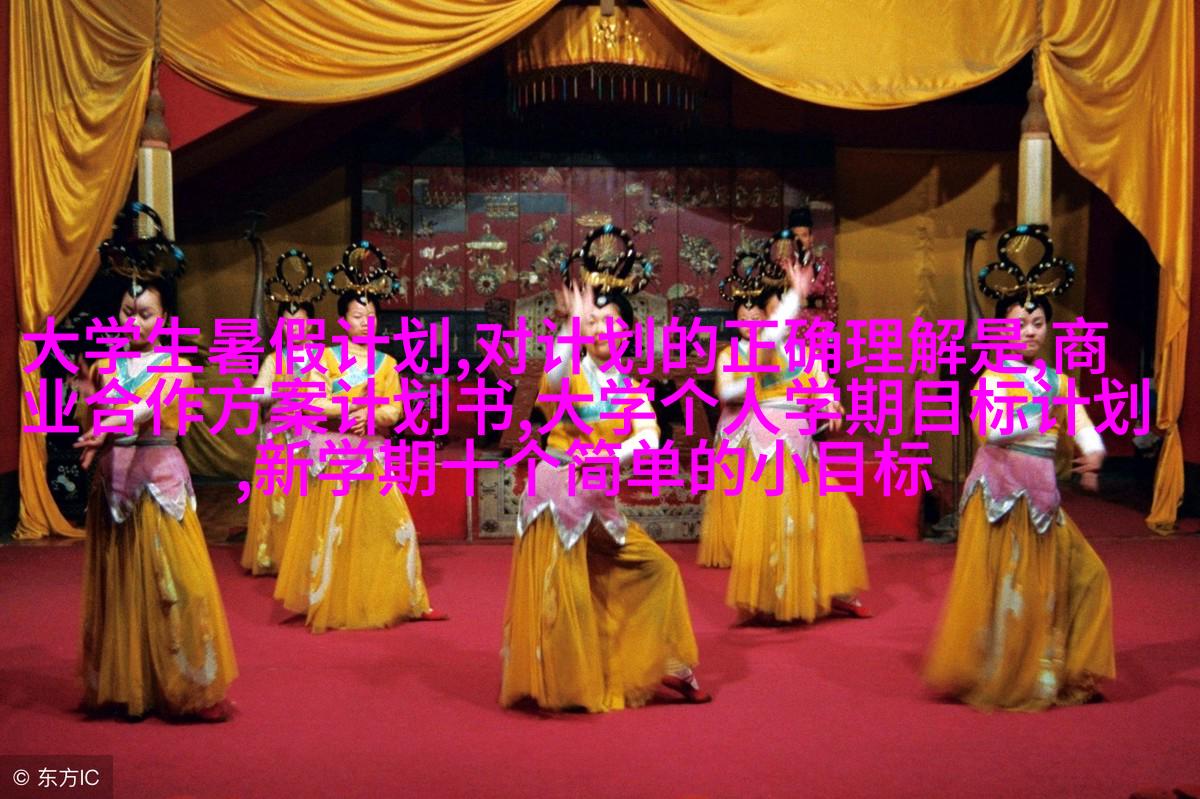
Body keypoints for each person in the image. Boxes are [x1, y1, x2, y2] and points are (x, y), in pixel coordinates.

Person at [500, 226, 709, 711]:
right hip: (557, 501)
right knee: (564, 593)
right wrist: (571, 326)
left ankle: (664, 660)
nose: (599, 330)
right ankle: (564, 682)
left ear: (627, 333)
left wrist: (614, 456)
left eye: (608, 322)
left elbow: (649, 437)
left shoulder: (631, 390)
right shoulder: (569, 369)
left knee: (657, 568)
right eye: (592, 322)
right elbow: (554, 377)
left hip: (597, 503)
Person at [924, 281, 1114, 711]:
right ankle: (1002, 673)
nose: (1030, 331)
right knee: (1009, 587)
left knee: (1087, 575)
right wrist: (1043, 415)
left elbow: (1081, 423)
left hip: (1041, 499)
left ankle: (1046, 668)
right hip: (998, 496)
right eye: (1020, 323)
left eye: (1038, 323)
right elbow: (993, 430)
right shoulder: (991, 379)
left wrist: (1095, 452)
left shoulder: (1058, 382)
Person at [75, 260, 237, 721]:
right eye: (129, 312)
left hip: (159, 481)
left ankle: (187, 684)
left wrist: (109, 424)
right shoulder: (102, 366)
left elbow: (148, 409)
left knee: (179, 585)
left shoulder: (178, 368)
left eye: (146, 313)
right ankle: (129, 686)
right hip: (114, 485)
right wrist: (93, 426)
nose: (136, 321)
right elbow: (91, 419)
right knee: (121, 586)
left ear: (164, 317)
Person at [273, 244, 445, 632]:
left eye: (371, 316)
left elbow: (395, 411)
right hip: (335, 456)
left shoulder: (387, 364)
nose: (366, 322)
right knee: (335, 533)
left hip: (371, 455)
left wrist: (370, 414)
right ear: (342, 321)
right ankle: (333, 600)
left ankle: (398, 596)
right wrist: (351, 407)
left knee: (392, 526)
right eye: (357, 316)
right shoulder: (325, 358)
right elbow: (311, 402)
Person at [721, 241, 870, 624]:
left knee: (834, 514)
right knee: (777, 519)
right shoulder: (759, 348)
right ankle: (772, 597)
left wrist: (832, 407)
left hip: (803, 445)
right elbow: (732, 387)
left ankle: (831, 588)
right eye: (776, 310)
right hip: (770, 443)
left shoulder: (806, 354)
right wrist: (795, 296)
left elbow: (823, 389)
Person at [697, 249, 783, 568]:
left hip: (768, 430)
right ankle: (735, 548)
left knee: (764, 490)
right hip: (736, 429)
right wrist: (753, 379)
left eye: (756, 318)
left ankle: (763, 547)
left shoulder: (777, 353)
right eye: (743, 319)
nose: (749, 324)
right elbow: (724, 392)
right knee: (735, 490)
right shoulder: (728, 354)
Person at [240, 273, 321, 575]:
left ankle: (306, 555)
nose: (293, 328)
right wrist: (282, 390)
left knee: (306, 495)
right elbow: (255, 393)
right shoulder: (274, 359)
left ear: (310, 325)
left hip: (309, 435)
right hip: (278, 437)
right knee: (278, 496)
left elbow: (326, 392)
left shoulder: (322, 357)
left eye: (299, 322)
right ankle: (275, 555)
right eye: (287, 323)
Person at [786, 205, 838, 327]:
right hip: (791, 324)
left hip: (818, 324)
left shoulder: (822, 264)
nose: (799, 240)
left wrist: (830, 323)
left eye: (804, 235)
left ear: (811, 238)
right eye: (795, 236)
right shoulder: (783, 265)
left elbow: (832, 299)